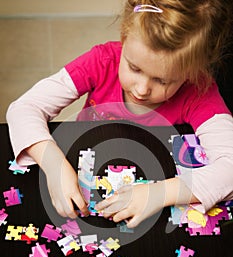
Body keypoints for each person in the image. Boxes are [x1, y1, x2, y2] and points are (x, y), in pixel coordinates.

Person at [6, 0, 233, 228]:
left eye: (162, 80)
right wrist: (54, 165)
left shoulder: (199, 90)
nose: (142, 89)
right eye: (134, 68)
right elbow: (24, 108)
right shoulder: (103, 61)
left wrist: (161, 193)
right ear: (124, 38)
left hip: (156, 188)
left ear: (193, 71)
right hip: (84, 167)